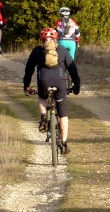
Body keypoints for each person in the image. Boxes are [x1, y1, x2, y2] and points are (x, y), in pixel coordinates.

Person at [23, 27, 81, 155]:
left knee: (43, 98)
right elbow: (73, 70)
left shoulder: (37, 51)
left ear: (42, 39)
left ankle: (43, 117)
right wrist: (77, 86)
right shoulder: (62, 50)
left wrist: (26, 86)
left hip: (43, 82)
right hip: (60, 83)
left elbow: (29, 70)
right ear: (56, 39)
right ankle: (64, 143)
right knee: (63, 114)